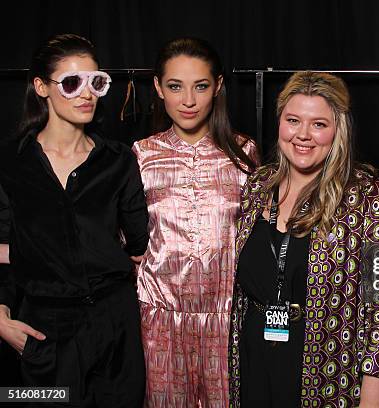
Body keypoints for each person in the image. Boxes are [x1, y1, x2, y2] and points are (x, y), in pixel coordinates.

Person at [228, 71, 379, 407]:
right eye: (293, 120)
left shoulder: (369, 198)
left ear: (338, 131)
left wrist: (373, 400)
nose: (303, 135)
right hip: (254, 358)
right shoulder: (258, 186)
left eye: (319, 124)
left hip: (327, 369)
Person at [0, 34, 149, 407]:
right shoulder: (11, 162)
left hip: (114, 325)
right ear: (41, 88)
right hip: (44, 328)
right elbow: (4, 245)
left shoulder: (119, 160)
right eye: (71, 83)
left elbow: (137, 244)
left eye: (95, 82)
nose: (87, 94)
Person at [132, 37, 258, 408]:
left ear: (218, 86)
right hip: (159, 320)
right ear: (158, 88)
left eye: (200, 86)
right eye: (175, 86)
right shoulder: (142, 154)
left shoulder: (244, 152)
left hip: (227, 317)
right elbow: (122, 234)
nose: (188, 100)